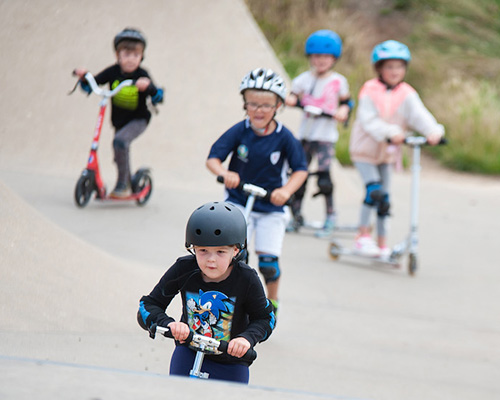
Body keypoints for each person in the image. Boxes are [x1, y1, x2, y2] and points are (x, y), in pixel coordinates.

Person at [137, 201, 275, 384]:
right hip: (188, 353)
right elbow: (148, 305)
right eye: (203, 250)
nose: (211, 260)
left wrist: (246, 339)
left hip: (231, 362)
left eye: (220, 251)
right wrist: (169, 324)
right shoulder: (184, 269)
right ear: (192, 247)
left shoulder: (246, 279)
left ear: (235, 250)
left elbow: (267, 318)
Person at [206, 68, 308, 314]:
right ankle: (231, 303)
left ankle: (271, 304)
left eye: (266, 105)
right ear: (245, 104)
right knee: (235, 258)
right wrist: (224, 173)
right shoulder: (240, 130)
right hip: (239, 202)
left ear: (278, 106)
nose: (259, 110)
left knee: (268, 264)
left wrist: (285, 191)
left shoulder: (285, 138)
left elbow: (300, 170)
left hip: (271, 207)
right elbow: (213, 158)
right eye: (253, 103)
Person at [349, 40, 444, 257]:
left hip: (387, 155)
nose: (395, 71)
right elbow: (368, 121)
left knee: (386, 200)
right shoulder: (369, 90)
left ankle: (382, 243)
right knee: (374, 192)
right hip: (365, 151)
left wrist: (434, 131)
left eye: (399, 67)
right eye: (389, 67)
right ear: (379, 68)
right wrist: (391, 132)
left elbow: (419, 115)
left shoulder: (406, 92)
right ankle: (362, 237)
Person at [74, 28, 163, 198]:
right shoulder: (113, 72)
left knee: (120, 142)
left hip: (138, 120)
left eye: (135, 55)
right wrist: (84, 77)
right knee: (118, 151)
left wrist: (149, 87)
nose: (131, 59)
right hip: (119, 121)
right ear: (118, 55)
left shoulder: (141, 74)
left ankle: (124, 184)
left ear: (141, 56)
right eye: (126, 54)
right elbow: (92, 85)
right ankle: (128, 180)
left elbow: (158, 96)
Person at [285, 29, 353, 238]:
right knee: (299, 175)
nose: (321, 61)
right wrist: (292, 100)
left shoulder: (338, 81)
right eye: (316, 56)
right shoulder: (304, 79)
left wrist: (344, 110)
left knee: (324, 177)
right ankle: (295, 215)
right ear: (310, 57)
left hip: (325, 137)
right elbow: (292, 96)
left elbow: (346, 102)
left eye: (326, 57)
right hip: (305, 134)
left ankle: (330, 217)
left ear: (334, 58)